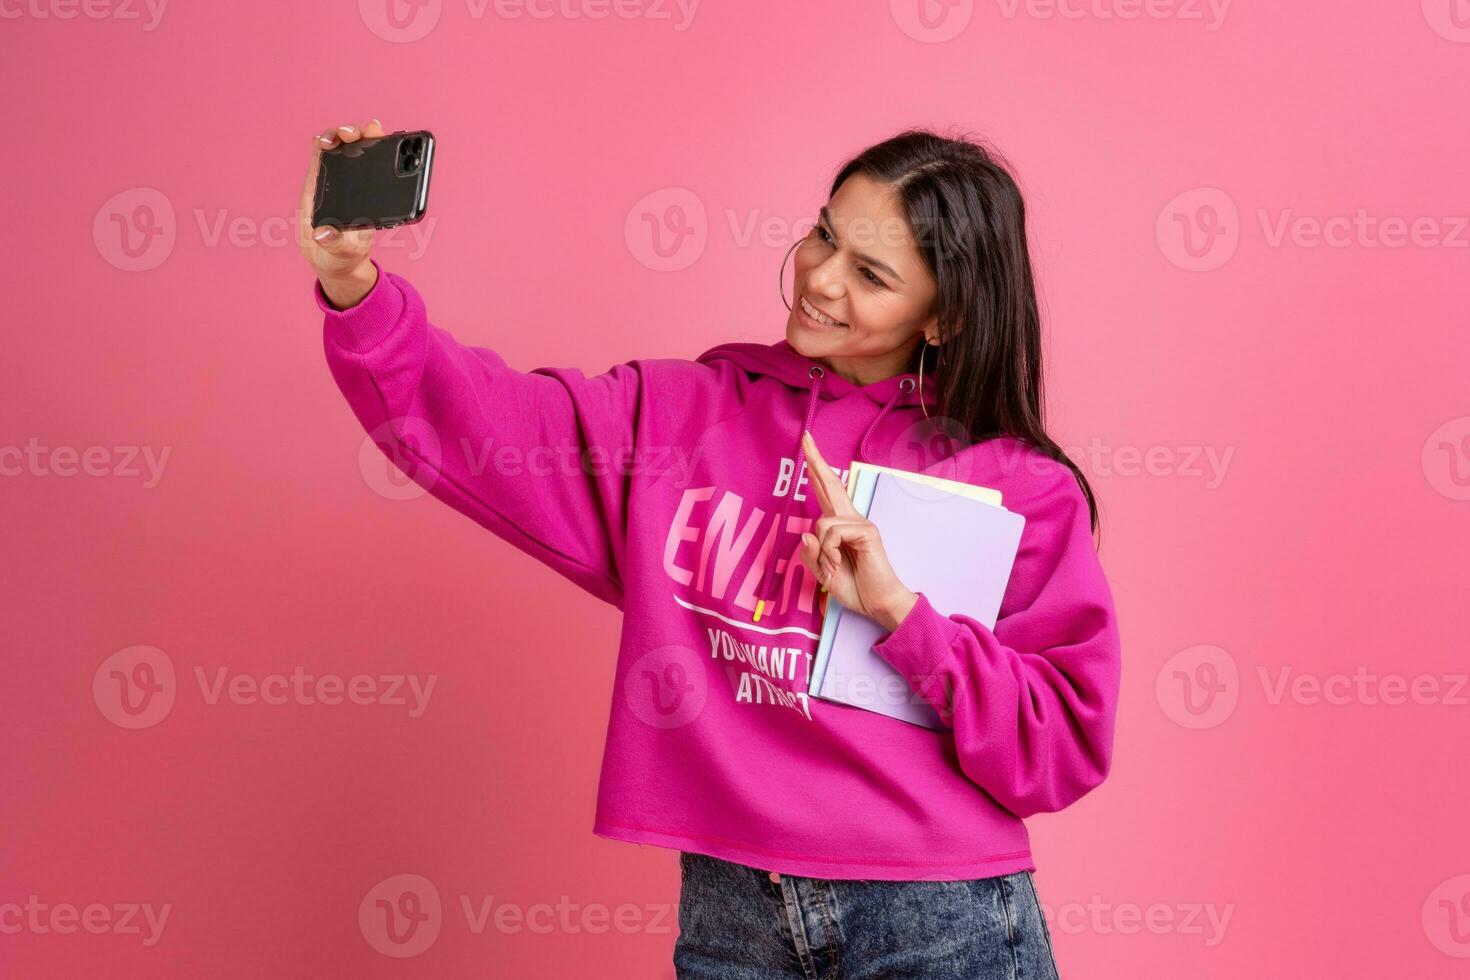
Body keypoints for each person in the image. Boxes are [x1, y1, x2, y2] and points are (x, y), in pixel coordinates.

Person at [298, 119, 1121, 979]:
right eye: (825, 235)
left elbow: (1061, 745)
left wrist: (902, 615)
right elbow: (476, 419)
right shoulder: (683, 417)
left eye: (871, 275)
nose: (821, 280)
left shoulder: (1013, 486)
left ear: (944, 318)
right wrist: (355, 287)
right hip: (735, 911)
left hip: (940, 916)